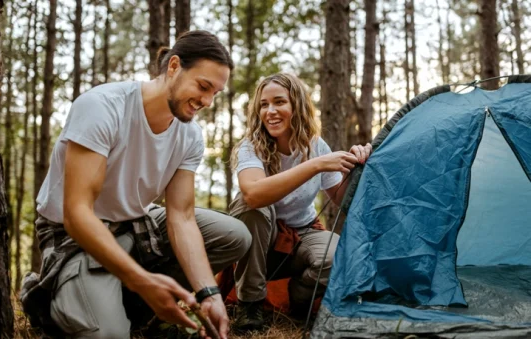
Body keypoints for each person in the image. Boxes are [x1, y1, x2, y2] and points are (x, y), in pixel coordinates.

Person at [20, 30, 251, 339]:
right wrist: (143, 280)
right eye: (203, 86)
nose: (208, 101)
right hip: (75, 233)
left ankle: (134, 302)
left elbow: (181, 218)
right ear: (173, 67)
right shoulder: (102, 106)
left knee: (235, 236)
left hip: (136, 222)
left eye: (215, 93)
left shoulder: (190, 135)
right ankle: (58, 299)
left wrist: (209, 293)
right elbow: (77, 214)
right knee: (110, 334)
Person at [228, 73, 372, 332]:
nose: (270, 111)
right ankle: (250, 306)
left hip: (303, 232)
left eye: (279, 102)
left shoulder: (316, 146)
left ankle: (299, 298)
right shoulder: (250, 148)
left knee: (339, 256)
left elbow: (341, 201)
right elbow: (253, 194)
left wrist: (358, 168)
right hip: (260, 242)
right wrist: (314, 166)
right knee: (253, 208)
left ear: (297, 105)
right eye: (264, 104)